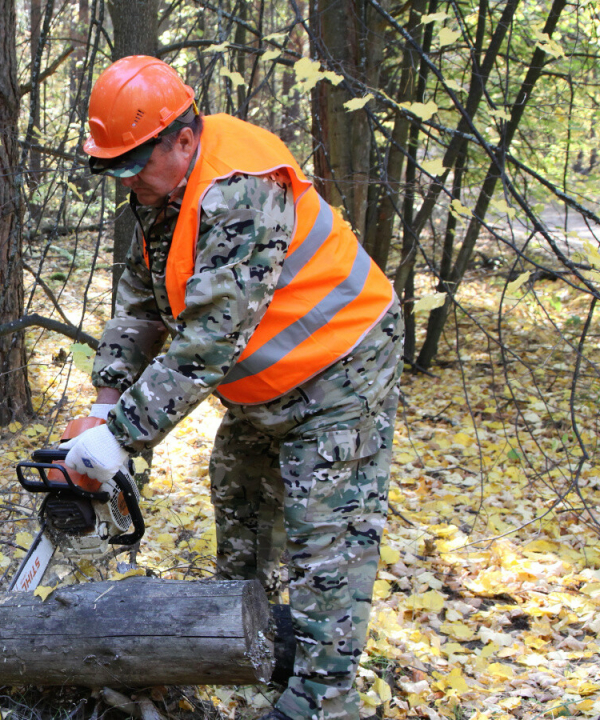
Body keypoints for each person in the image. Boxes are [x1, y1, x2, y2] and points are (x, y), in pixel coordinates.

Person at [59, 56, 403, 720]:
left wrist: (125, 434)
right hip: (266, 386)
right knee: (242, 502)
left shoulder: (239, 188)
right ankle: (258, 650)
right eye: (116, 169)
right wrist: (105, 402)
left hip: (342, 370)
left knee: (325, 536)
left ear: (182, 138)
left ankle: (325, 699)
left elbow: (212, 339)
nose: (129, 182)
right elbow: (139, 305)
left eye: (134, 164)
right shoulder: (163, 194)